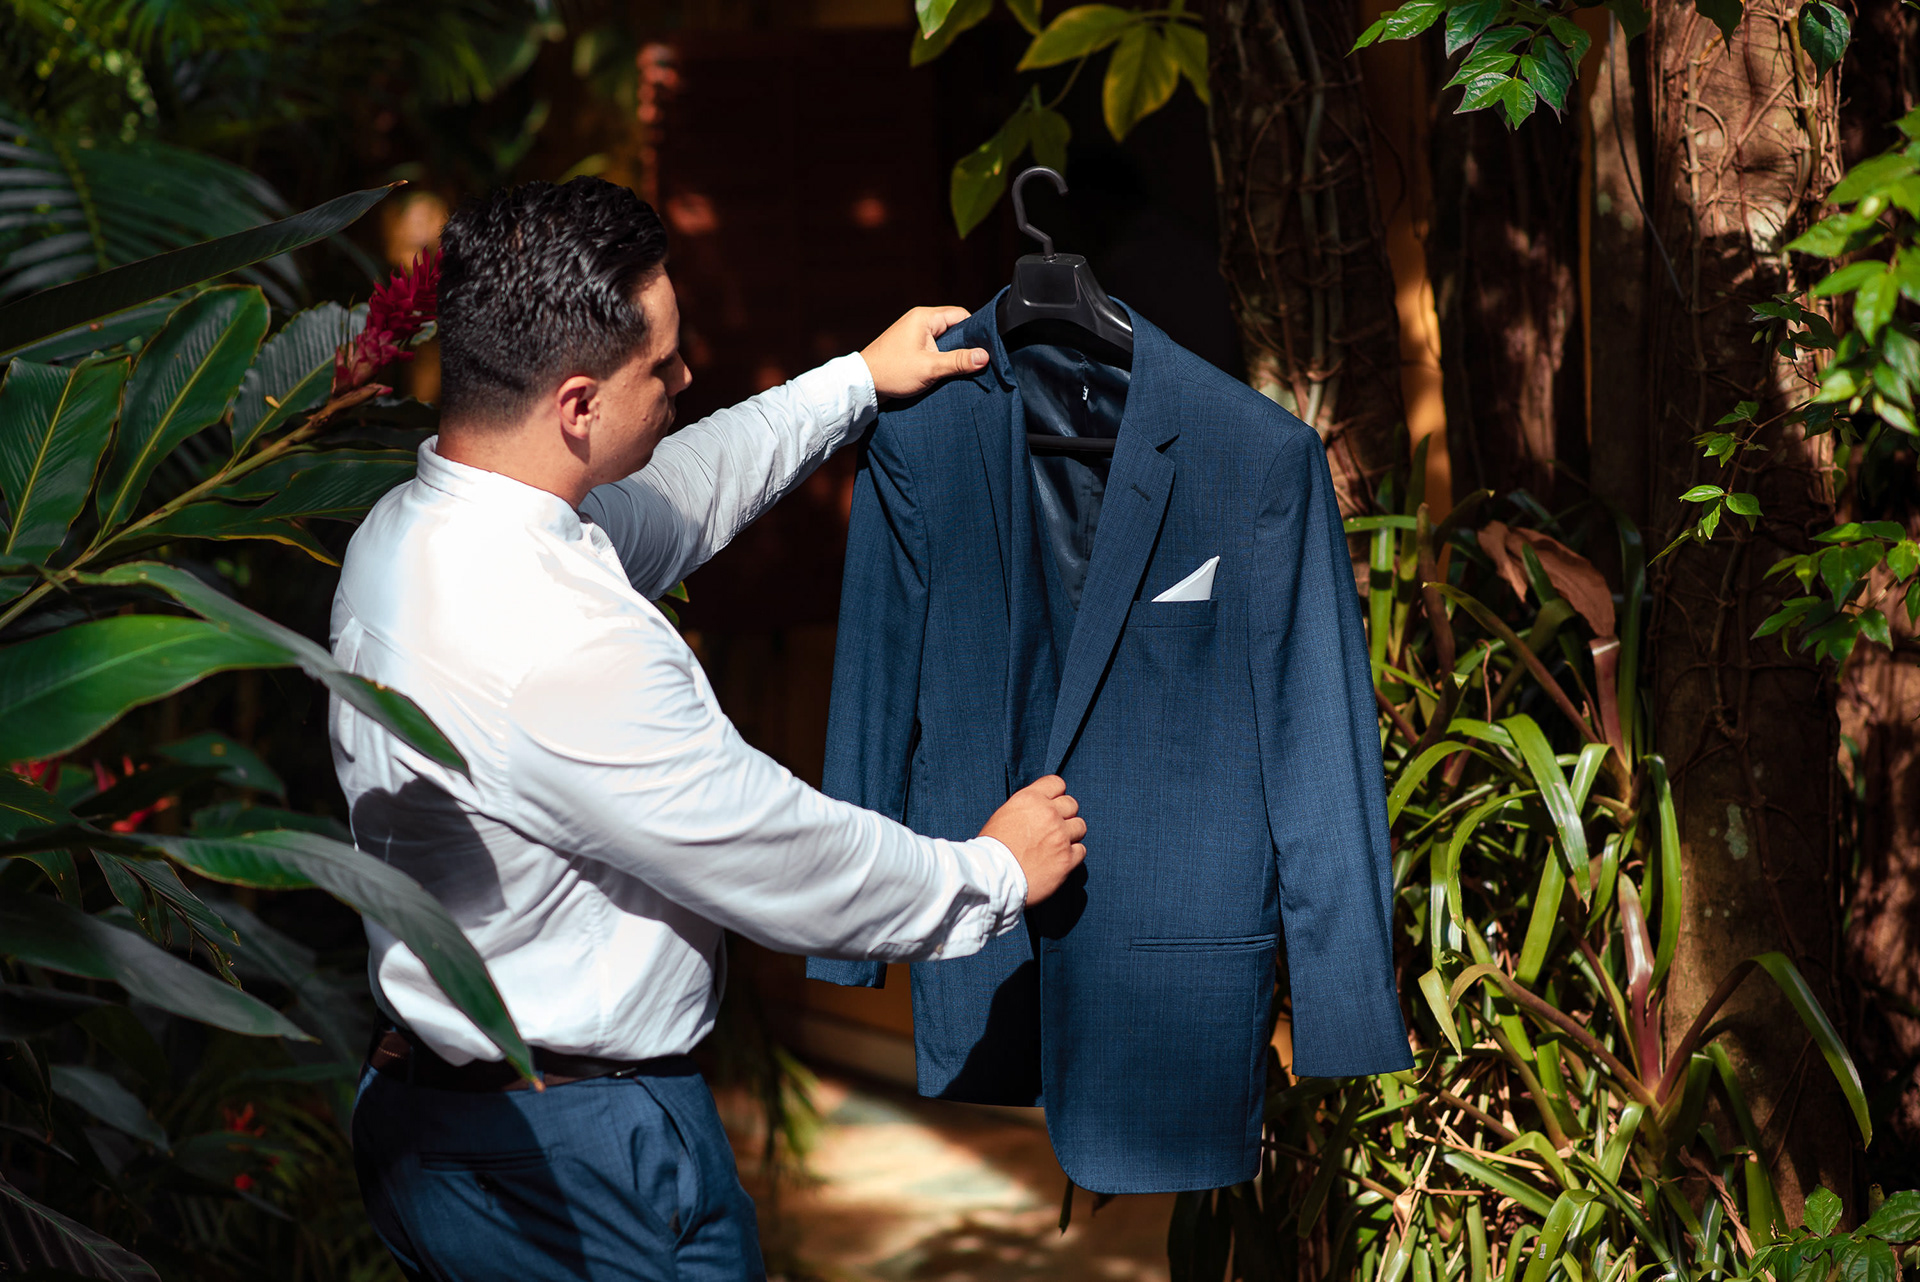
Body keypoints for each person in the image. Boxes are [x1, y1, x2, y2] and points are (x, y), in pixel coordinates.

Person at [331, 177, 1087, 1281]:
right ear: (578, 405)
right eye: (663, 366)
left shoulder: (409, 534)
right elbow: (776, 851)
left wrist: (853, 382)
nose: (687, 378)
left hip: (437, 1113)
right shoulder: (561, 644)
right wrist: (992, 876)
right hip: (569, 1153)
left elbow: (678, 493)